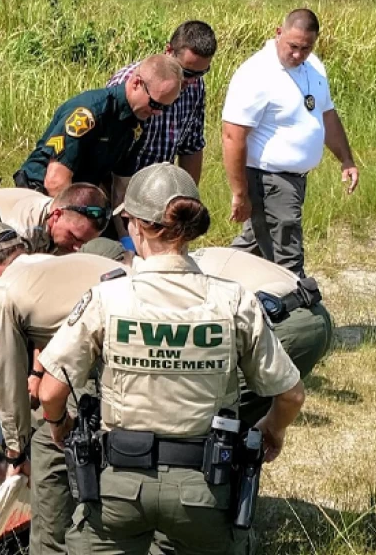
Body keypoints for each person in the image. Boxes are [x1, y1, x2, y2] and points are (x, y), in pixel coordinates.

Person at [37, 163, 306, 555]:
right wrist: (272, 430)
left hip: (118, 489)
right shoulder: (233, 300)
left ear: (135, 225)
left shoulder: (107, 298)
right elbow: (292, 395)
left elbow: (50, 392)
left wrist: (61, 425)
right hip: (205, 491)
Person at [0, 222, 132, 555]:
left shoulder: (1, 292)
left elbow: (8, 380)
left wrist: (17, 451)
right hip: (146, 340)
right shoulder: (49, 264)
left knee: (49, 445)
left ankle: (50, 542)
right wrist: (39, 374)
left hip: (109, 355)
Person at [221, 8, 359, 277]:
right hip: (269, 179)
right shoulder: (256, 74)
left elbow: (326, 115)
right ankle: (297, 311)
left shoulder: (314, 66)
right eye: (292, 46)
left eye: (305, 48)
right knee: (287, 254)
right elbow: (232, 136)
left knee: (256, 246)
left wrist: (346, 159)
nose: (297, 55)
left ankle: (212, 280)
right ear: (278, 33)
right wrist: (240, 192)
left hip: (295, 180)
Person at [191, 246, 332, 427]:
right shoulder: (194, 258)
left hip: (284, 321)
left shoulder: (170, 279)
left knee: (213, 417)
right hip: (313, 312)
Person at [14, 54, 184, 198]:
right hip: (39, 197)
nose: (158, 113)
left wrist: (126, 236)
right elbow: (55, 181)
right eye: (156, 104)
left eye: (165, 107)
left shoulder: (134, 123)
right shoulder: (89, 114)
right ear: (136, 84)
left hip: (77, 198)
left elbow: (118, 186)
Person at [106, 21, 216, 242]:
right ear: (168, 51)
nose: (191, 81)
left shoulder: (195, 87)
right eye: (186, 72)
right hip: (120, 194)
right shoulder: (133, 83)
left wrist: (187, 201)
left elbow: (191, 145)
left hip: (159, 195)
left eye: (200, 73)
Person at [0, 183, 111, 254]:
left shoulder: (61, 227)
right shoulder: (24, 228)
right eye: (73, 237)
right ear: (56, 215)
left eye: (84, 243)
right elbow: (7, 279)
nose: (77, 248)